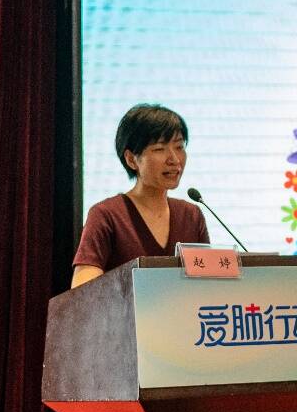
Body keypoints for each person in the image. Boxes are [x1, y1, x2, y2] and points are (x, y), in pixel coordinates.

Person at [71, 104, 210, 287]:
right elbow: (83, 288)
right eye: (159, 149)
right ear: (131, 159)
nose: (175, 159)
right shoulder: (106, 215)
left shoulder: (191, 215)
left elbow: (208, 283)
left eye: (179, 147)